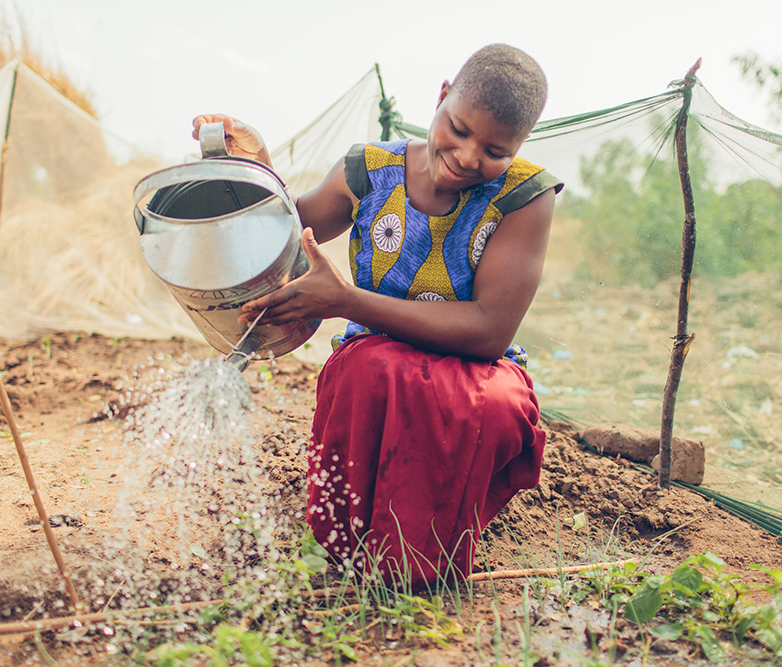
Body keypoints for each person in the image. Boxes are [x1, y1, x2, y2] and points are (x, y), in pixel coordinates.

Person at [192, 44, 562, 589]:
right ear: (441, 97)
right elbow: (289, 238)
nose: (466, 156)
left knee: (503, 406)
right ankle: (351, 547)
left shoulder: (524, 197)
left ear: (520, 146)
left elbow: (489, 331)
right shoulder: (371, 170)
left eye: (494, 149)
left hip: (473, 365)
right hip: (377, 358)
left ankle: (429, 551)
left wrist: (347, 301)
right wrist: (256, 167)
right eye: (457, 129)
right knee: (368, 374)